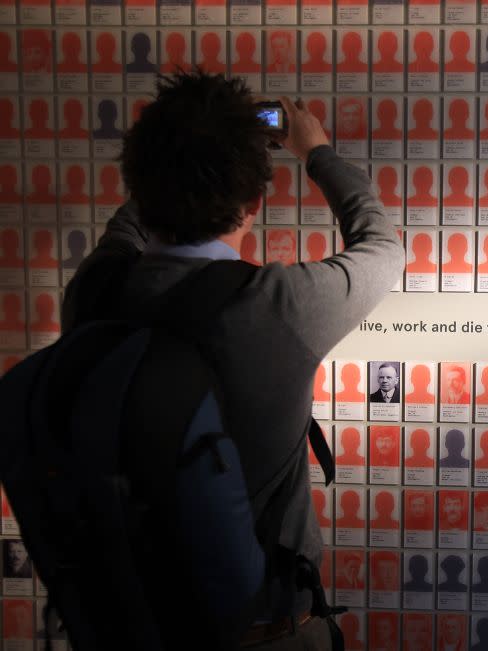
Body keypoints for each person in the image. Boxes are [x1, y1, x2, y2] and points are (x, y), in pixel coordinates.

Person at [61, 72, 404, 647]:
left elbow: (129, 224)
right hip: (262, 631)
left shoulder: (94, 292)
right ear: (253, 202)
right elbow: (382, 249)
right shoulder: (275, 307)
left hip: (127, 627)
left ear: (142, 182)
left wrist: (180, 155)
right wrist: (315, 150)